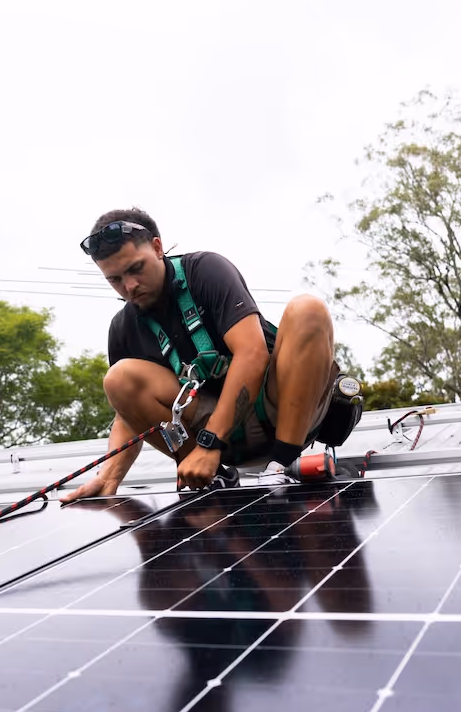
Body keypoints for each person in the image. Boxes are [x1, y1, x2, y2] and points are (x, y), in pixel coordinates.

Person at [60, 207, 340, 501]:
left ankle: (282, 466)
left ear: (157, 247)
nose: (129, 286)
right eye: (114, 279)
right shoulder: (123, 328)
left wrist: (210, 443)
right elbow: (128, 414)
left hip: (281, 409)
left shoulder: (206, 271)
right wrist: (108, 477)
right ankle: (210, 476)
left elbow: (253, 354)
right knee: (118, 379)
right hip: (218, 439)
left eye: (135, 268)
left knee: (308, 310)